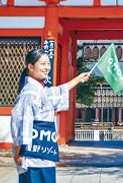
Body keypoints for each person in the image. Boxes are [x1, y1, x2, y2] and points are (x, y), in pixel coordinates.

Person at [11, 49, 90, 183]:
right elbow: (22, 123)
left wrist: (78, 79)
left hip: (45, 151)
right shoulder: (29, 93)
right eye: (42, 64)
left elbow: (57, 92)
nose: (47, 67)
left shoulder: (40, 90)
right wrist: (19, 150)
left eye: (48, 63)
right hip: (32, 154)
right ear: (30, 66)